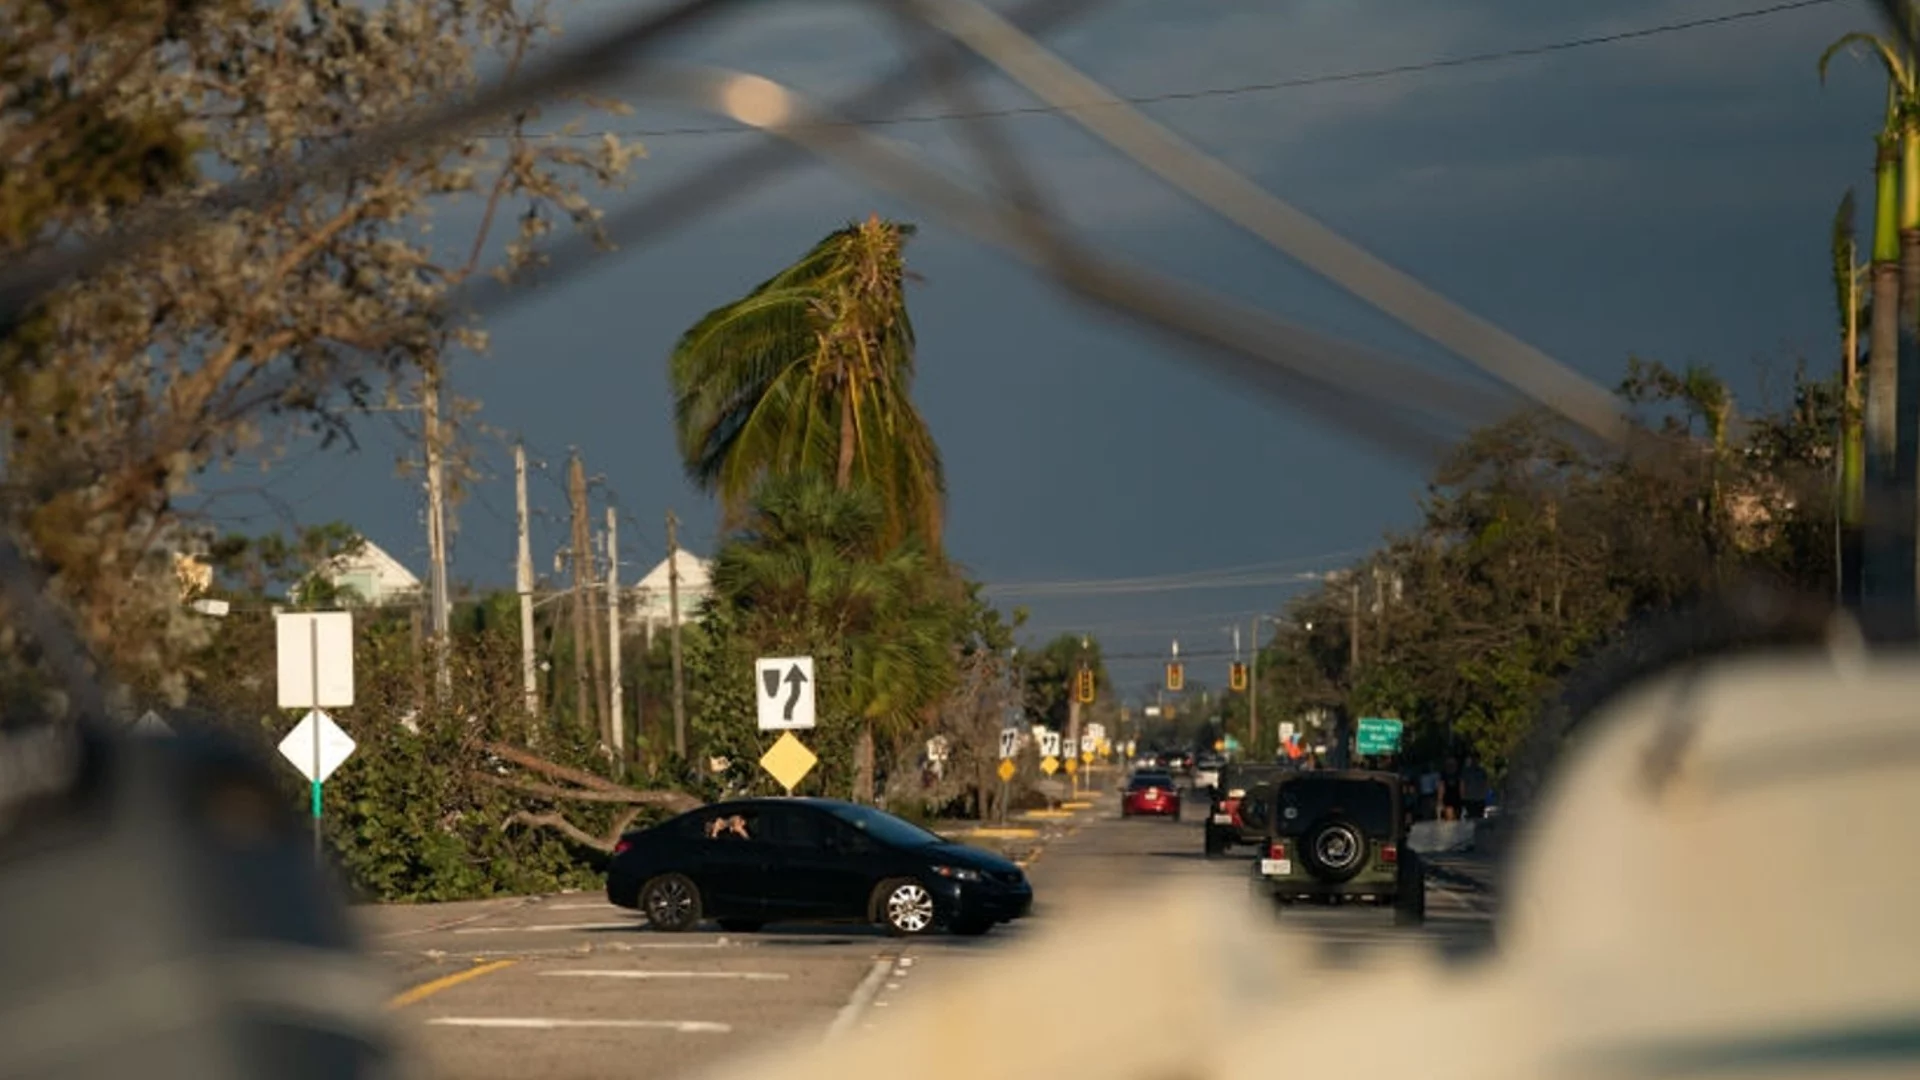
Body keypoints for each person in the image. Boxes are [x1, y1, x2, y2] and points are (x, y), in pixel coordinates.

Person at [1460, 755, 1490, 819]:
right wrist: (1462, 796)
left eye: (1477, 759)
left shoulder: (1482, 771)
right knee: (1470, 816)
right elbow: (1462, 784)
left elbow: (1486, 783)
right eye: (1473, 759)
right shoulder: (1466, 771)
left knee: (1479, 816)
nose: (1475, 761)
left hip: (1479, 798)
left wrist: (1484, 793)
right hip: (1469, 798)